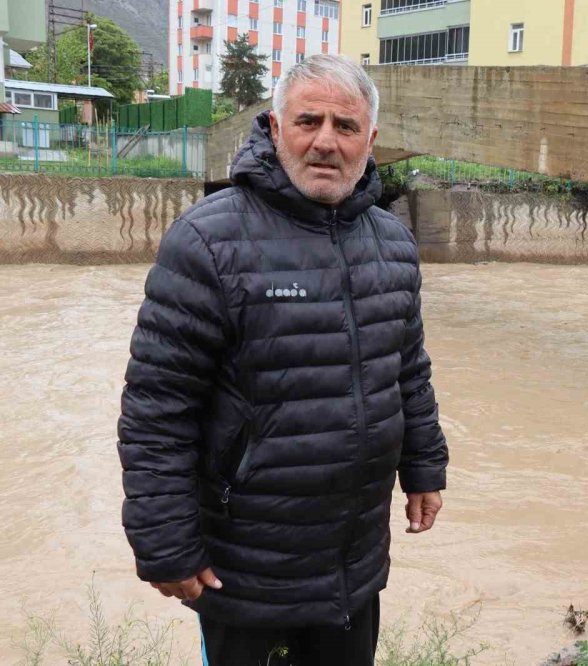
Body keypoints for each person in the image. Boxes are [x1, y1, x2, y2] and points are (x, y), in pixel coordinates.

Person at [117, 54, 448, 666]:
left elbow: (408, 369)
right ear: (275, 128)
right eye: (308, 121)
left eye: (345, 127)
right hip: (248, 569)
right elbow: (156, 409)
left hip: (355, 562)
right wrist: (165, 542)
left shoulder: (393, 243)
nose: (326, 141)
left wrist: (425, 466)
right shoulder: (208, 241)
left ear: (370, 140)